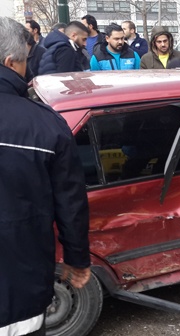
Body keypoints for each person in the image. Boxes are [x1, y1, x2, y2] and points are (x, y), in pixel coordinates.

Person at [0, 16, 91, 336]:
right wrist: (77, 259)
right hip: (17, 294)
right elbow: (71, 202)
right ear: (11, 62)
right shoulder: (43, 124)